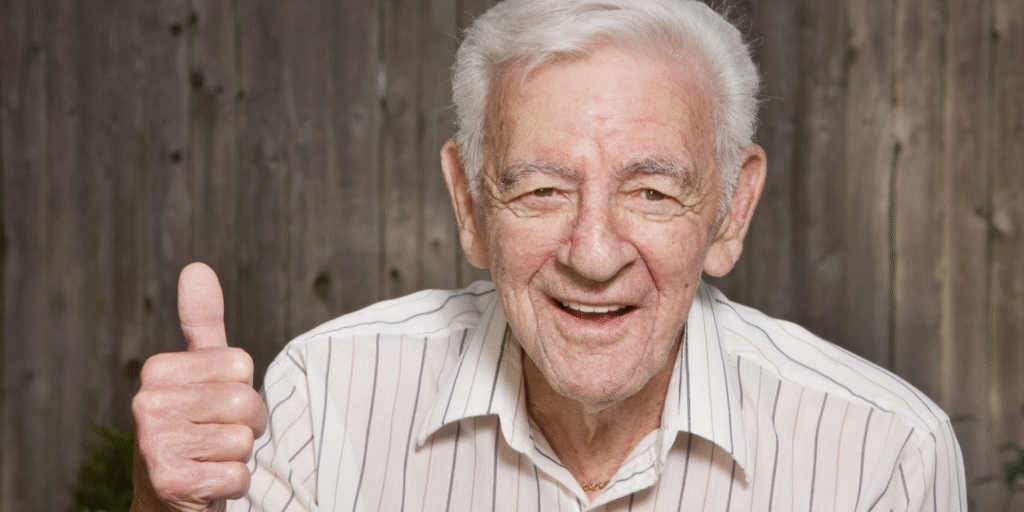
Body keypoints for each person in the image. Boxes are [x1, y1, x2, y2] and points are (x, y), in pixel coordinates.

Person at [131, 0, 967, 510]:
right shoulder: (325, 397)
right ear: (469, 204)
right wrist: (165, 507)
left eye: (652, 191)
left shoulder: (886, 456)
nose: (593, 254)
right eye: (540, 190)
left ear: (730, 209)